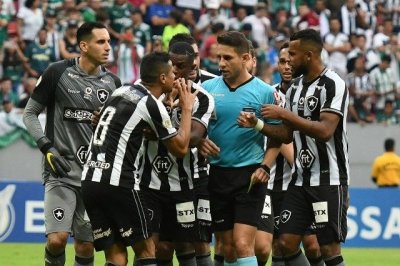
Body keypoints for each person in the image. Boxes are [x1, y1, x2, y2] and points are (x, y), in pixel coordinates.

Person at [237, 29, 349, 266]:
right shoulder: (295, 88)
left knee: (327, 247)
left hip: (329, 180)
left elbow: (325, 131)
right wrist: (257, 124)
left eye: (294, 55)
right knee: (285, 242)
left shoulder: (333, 84)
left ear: (308, 56)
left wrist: (284, 113)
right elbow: (286, 134)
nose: (289, 63)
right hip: (299, 181)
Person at [82, 52, 196, 266]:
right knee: (146, 250)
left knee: (116, 256)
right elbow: (180, 148)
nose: (175, 77)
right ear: (163, 78)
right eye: (172, 73)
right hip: (119, 183)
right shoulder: (150, 103)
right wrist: (187, 107)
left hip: (90, 180)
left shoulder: (121, 91)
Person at [23, 22, 121, 266]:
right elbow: (30, 113)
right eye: (101, 42)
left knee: (86, 245)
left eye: (109, 41)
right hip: (61, 172)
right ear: (83, 46)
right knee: (57, 239)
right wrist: (47, 147)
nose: (108, 47)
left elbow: (117, 132)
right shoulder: (57, 73)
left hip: (92, 178)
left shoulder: (114, 84)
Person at [198, 31, 278, 265]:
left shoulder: (264, 92)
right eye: (219, 57)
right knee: (227, 247)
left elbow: (279, 136)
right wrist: (200, 141)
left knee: (244, 244)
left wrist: (265, 165)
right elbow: (196, 127)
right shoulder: (207, 88)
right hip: (217, 174)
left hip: (249, 175)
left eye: (227, 58)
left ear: (245, 58)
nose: (221, 63)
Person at [138, 42, 214, 266]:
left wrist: (160, 132)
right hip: (147, 182)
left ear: (192, 68)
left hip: (185, 183)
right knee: (151, 246)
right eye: (172, 65)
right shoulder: (147, 93)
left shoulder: (202, 98)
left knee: (185, 244)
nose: (176, 71)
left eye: (181, 66)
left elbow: (192, 138)